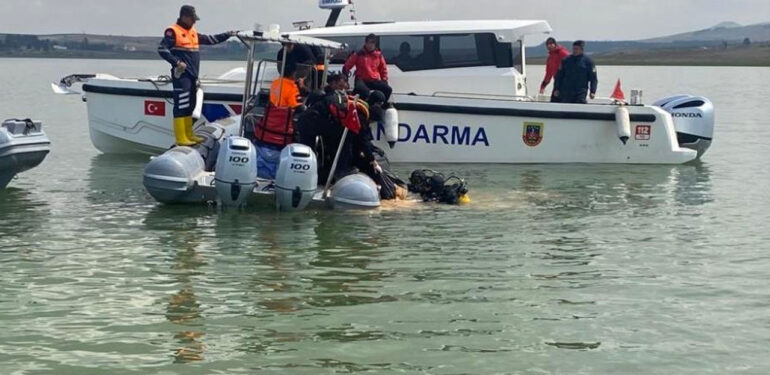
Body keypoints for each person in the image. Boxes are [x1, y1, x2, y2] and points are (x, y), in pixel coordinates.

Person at [158, 5, 235, 146]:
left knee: (190, 105)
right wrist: (177, 62)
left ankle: (189, 134)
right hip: (182, 75)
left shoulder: (192, 32)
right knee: (181, 105)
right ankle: (181, 138)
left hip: (193, 75)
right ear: (184, 17)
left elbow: (210, 39)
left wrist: (228, 34)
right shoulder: (173, 31)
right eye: (192, 19)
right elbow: (162, 49)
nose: (194, 22)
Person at [253, 63, 305, 179]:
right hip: (283, 123)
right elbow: (297, 106)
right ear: (293, 73)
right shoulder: (292, 87)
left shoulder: (275, 83)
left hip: (270, 119)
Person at [342, 33, 392, 102]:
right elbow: (346, 66)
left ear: (375, 44)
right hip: (361, 79)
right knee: (363, 91)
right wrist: (345, 80)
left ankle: (382, 106)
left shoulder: (379, 55)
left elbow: (383, 70)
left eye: (372, 43)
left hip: (374, 80)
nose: (370, 45)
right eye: (368, 42)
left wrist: (384, 80)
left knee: (388, 89)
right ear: (365, 43)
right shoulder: (359, 54)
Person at [539, 37, 569, 102]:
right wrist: (543, 86)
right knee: (554, 100)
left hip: (566, 81)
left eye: (551, 44)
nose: (549, 46)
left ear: (555, 44)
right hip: (557, 82)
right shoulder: (550, 58)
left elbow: (572, 65)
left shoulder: (563, 53)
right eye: (548, 44)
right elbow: (548, 74)